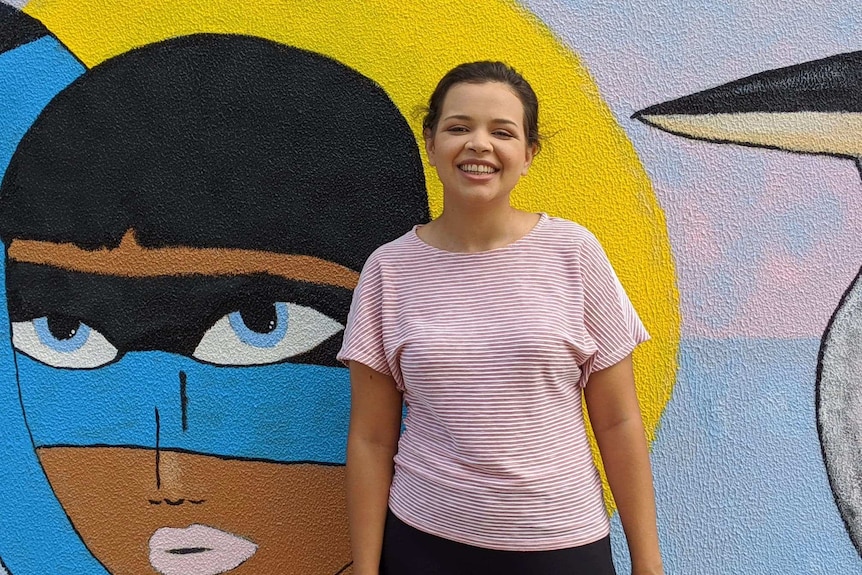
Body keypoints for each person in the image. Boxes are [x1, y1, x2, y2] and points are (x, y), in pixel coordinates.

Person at [338, 61, 663, 575]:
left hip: (561, 541)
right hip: (424, 540)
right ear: (431, 142)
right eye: (459, 127)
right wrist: (365, 568)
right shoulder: (389, 269)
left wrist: (648, 564)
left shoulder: (574, 253)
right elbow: (372, 438)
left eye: (502, 132)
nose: (478, 145)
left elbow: (618, 419)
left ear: (529, 153)